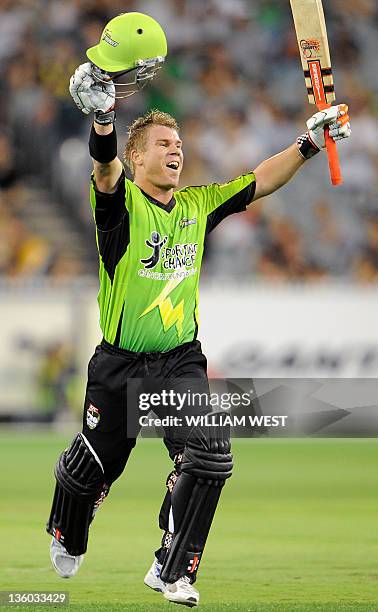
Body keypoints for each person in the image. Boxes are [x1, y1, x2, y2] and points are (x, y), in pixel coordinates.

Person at [46, 37, 351, 612]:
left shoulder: (197, 204)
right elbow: (105, 172)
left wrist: (311, 142)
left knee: (210, 452)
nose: (175, 151)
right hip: (119, 365)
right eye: (162, 144)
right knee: (93, 468)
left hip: (179, 361)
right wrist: (106, 122)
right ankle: (68, 527)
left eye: (179, 143)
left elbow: (261, 179)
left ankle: (171, 569)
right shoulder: (118, 206)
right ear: (138, 159)